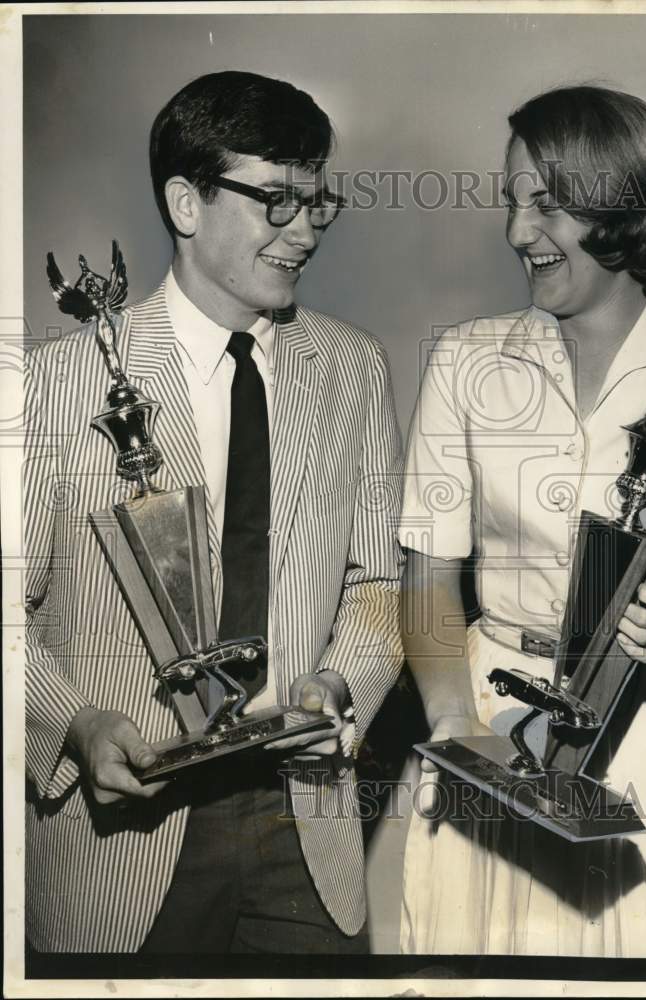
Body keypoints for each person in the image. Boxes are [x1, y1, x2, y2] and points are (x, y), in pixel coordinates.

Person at [25, 71, 403, 954]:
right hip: (123, 843)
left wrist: (339, 684)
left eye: (318, 203)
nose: (305, 229)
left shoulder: (357, 369)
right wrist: (77, 726)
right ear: (185, 203)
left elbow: (381, 588)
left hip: (306, 830)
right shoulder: (57, 384)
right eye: (276, 201)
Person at [398, 85, 646, 957]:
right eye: (511, 202)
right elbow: (424, 580)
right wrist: (454, 724)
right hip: (490, 728)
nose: (516, 234)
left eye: (546, 203)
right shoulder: (464, 360)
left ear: (619, 205)